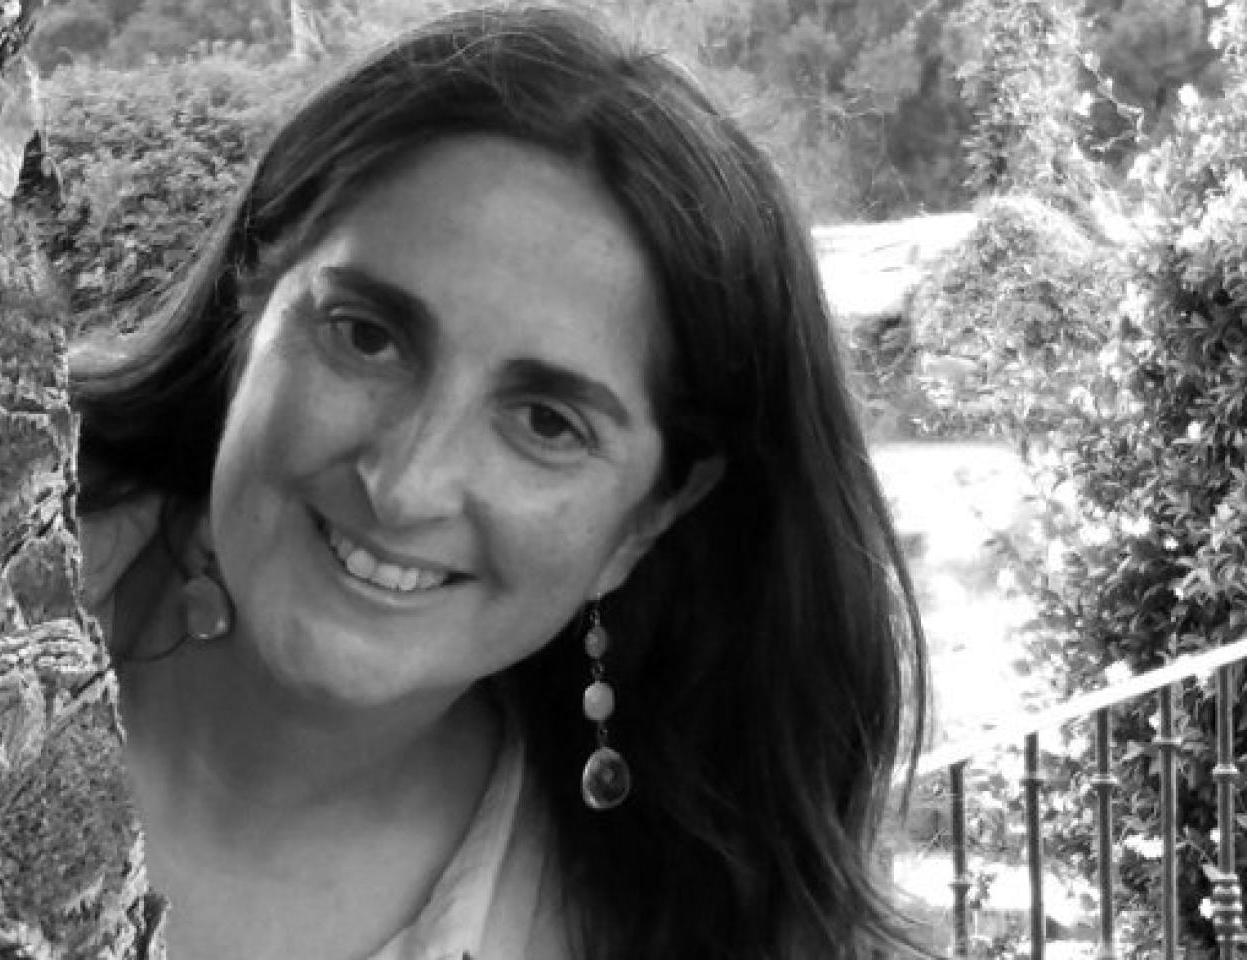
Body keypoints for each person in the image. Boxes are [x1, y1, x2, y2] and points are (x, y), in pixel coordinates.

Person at [69, 6, 930, 960]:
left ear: (648, 521)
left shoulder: (687, 929)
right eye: (367, 337)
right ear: (252, 296)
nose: (405, 485)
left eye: (546, 423)